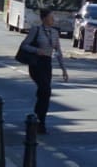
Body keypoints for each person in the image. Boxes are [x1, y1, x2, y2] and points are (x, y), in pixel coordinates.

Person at [21, 7, 68, 135]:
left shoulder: (54, 32)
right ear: (44, 18)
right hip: (36, 64)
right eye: (51, 17)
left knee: (45, 93)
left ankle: (39, 118)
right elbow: (24, 45)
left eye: (54, 17)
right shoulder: (36, 30)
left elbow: (58, 52)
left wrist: (63, 69)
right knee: (45, 89)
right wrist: (37, 51)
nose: (54, 19)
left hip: (47, 64)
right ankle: (39, 120)